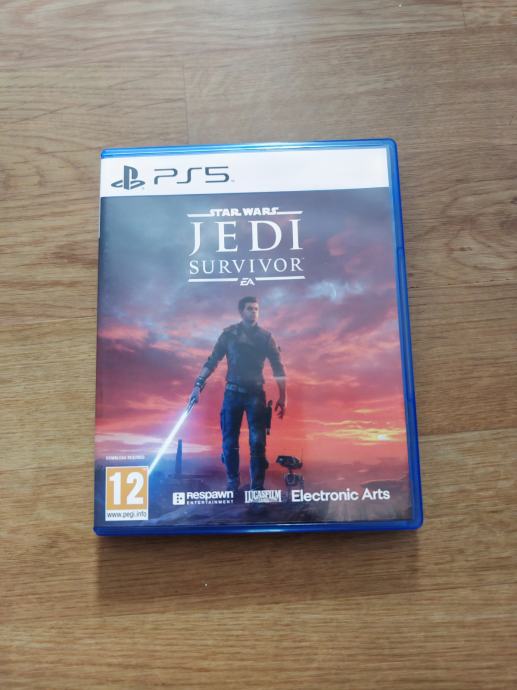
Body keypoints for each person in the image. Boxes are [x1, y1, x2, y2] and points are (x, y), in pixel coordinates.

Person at [190, 296, 286, 491]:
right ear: (241, 311)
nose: (254, 312)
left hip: (256, 394)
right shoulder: (229, 335)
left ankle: (256, 489)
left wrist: (283, 396)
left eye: (256, 309)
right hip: (232, 393)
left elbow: (278, 367)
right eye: (250, 308)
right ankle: (232, 483)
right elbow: (212, 361)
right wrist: (198, 385)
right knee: (229, 443)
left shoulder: (266, 337)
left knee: (258, 444)